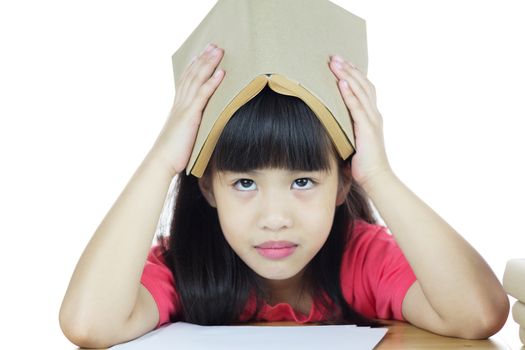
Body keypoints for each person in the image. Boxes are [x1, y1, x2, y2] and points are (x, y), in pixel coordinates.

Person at [59, 43, 509, 348]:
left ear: (342, 183)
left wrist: (380, 175)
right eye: (245, 183)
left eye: (302, 182)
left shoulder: (361, 258)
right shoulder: (186, 267)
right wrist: (161, 161)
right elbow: (88, 324)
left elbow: (478, 315)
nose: (275, 218)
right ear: (209, 187)